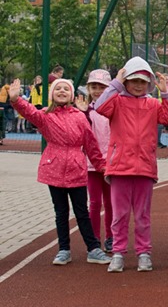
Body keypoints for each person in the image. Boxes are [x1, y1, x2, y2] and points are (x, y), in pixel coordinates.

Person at [7, 77, 110, 265]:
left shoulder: (79, 116)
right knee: (60, 212)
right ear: (52, 94)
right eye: (58, 89)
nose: (62, 91)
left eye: (66, 89)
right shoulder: (46, 116)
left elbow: (91, 145)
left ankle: (93, 248)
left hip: (77, 169)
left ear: (72, 95)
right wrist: (16, 100)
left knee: (81, 211)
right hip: (53, 169)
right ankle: (64, 250)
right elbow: (30, 112)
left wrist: (101, 166)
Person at [93, 57, 168, 273]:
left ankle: (144, 253)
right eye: (133, 80)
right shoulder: (117, 102)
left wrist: (166, 92)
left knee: (142, 215)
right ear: (126, 81)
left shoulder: (152, 103)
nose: (138, 85)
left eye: (142, 81)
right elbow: (99, 106)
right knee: (119, 215)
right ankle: (119, 253)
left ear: (149, 83)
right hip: (120, 168)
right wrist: (116, 82)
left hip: (145, 169)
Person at [74, 69, 114, 251]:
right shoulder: (85, 111)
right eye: (94, 87)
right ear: (89, 88)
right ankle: (95, 239)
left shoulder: (113, 109)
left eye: (102, 87)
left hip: (112, 163)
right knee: (95, 203)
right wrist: (83, 114)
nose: (98, 90)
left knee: (111, 202)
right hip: (91, 164)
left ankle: (112, 237)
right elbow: (83, 132)